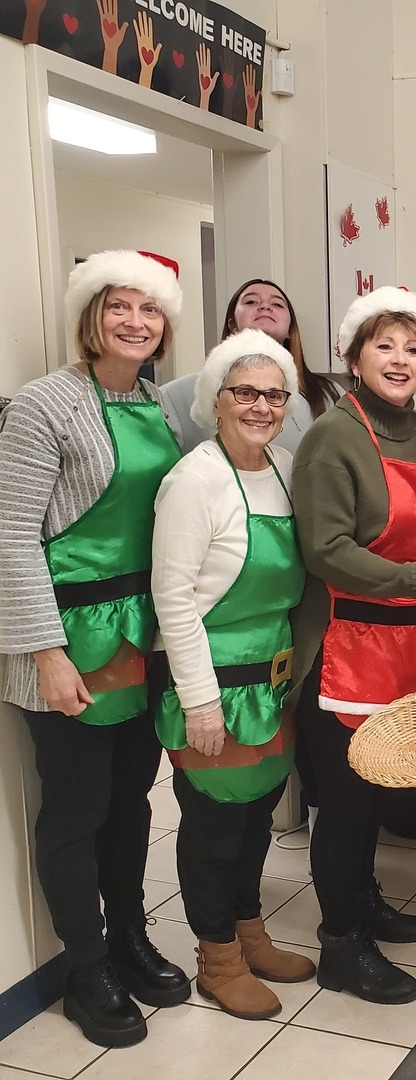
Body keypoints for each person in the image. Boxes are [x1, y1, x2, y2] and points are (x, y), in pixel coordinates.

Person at [0, 250, 190, 1048]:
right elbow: (11, 537)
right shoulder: (44, 405)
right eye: (121, 306)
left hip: (141, 637)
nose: (136, 322)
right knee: (75, 812)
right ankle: (84, 966)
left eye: (150, 311)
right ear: (91, 314)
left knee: (131, 804)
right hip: (69, 643)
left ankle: (129, 939)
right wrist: (45, 653)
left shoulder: (162, 410)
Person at [290, 286, 416, 1004]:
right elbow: (324, 549)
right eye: (383, 345)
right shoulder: (336, 433)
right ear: (353, 355)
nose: (399, 358)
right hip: (344, 647)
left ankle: (362, 899)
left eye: (412, 348)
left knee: (378, 791)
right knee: (347, 802)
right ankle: (340, 944)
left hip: (402, 643)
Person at [152, 328, 315, 1021]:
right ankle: (216, 956)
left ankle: (250, 932)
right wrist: (200, 702)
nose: (261, 406)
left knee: (254, 823)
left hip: (271, 686)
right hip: (213, 685)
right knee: (214, 828)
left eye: (274, 395)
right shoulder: (195, 481)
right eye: (245, 392)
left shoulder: (281, 467)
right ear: (216, 401)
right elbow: (174, 598)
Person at [161, 278, 339, 454]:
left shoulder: (329, 393)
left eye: (277, 304)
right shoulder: (178, 395)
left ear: (289, 330)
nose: (264, 307)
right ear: (232, 325)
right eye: (251, 301)